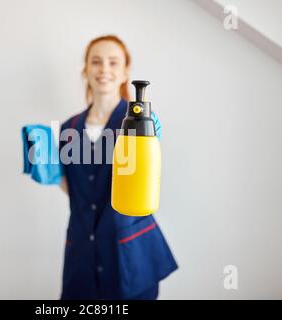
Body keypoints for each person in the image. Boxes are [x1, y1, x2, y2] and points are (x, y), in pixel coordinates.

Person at [58, 35, 177, 300]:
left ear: (125, 72)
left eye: (114, 63)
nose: (104, 70)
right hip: (82, 253)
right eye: (96, 62)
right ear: (86, 70)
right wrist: (54, 176)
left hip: (129, 255)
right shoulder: (69, 128)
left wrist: (148, 146)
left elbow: (145, 181)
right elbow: (79, 193)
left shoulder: (138, 122)